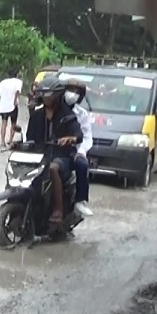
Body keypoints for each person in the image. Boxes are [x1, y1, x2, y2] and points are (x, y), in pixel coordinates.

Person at [25, 79, 83, 224]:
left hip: (62, 156)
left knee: (52, 167)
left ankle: (58, 210)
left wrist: (69, 139)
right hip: (40, 155)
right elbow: (30, 138)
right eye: (44, 95)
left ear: (57, 95)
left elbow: (79, 136)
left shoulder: (68, 115)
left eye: (49, 95)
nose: (46, 98)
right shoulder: (36, 115)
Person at [62, 77, 94, 217]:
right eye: (69, 90)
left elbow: (86, 136)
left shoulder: (82, 114)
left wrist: (81, 152)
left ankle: (80, 200)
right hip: (49, 149)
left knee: (82, 164)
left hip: (71, 152)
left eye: (76, 92)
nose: (72, 94)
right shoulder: (52, 110)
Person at [0, 69, 24, 147]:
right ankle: (10, 140)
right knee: (13, 124)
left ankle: (2, 141)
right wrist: (15, 100)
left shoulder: (3, 82)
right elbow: (18, 91)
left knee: (4, 123)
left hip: (4, 106)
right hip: (13, 106)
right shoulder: (18, 82)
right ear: (17, 75)